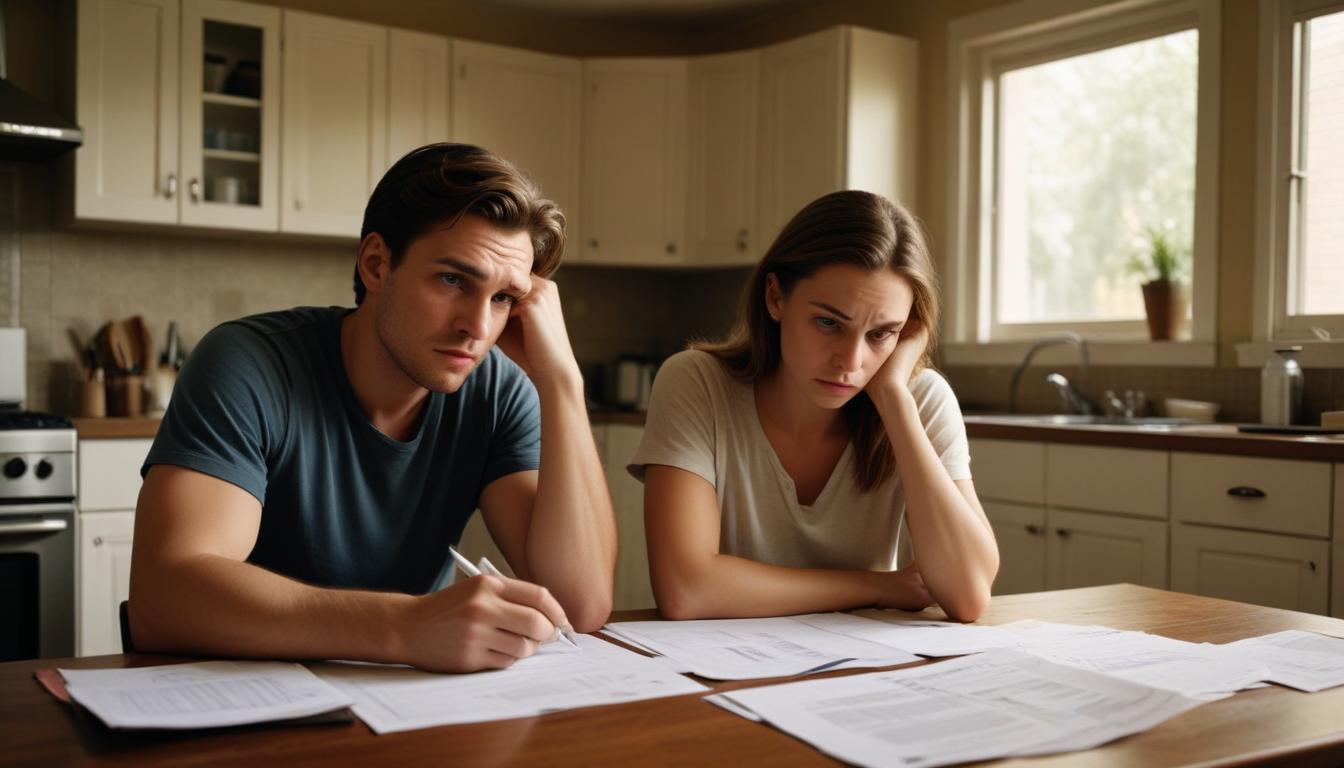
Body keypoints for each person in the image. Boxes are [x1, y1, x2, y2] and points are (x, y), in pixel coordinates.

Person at [129, 143, 617, 672]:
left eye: (503, 298)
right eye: (454, 280)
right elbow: (165, 597)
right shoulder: (248, 364)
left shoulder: (499, 391)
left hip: (404, 706)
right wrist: (405, 626)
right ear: (376, 264)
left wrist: (562, 381)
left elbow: (580, 604)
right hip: (244, 699)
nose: (477, 328)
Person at [630, 190, 998, 622]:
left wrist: (894, 398)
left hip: (864, 671)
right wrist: (879, 586)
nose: (851, 362)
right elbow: (686, 589)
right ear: (775, 298)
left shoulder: (919, 398)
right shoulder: (697, 383)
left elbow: (969, 595)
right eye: (828, 323)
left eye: (882, 333)